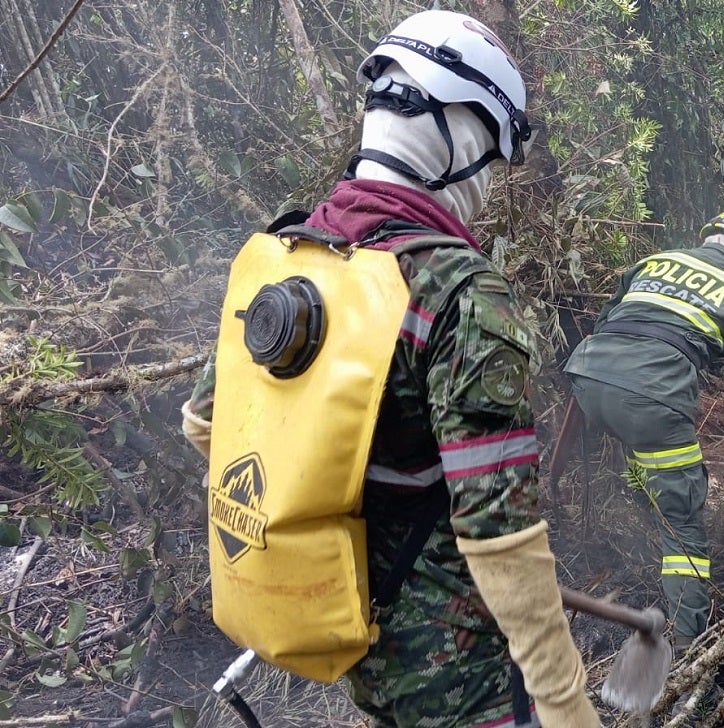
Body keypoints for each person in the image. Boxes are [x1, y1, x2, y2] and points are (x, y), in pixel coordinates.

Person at [180, 10, 601, 728]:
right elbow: (500, 535)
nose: (487, 184)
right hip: (458, 677)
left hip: (351, 635)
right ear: (456, 134)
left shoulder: (290, 252)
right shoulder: (459, 293)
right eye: (489, 157)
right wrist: (566, 706)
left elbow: (204, 426)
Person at [562, 211, 724, 653]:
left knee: (645, 460)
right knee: (683, 529)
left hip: (587, 375)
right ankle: (689, 650)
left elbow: (607, 319)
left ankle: (638, 532)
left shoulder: (657, 261)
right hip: (651, 396)